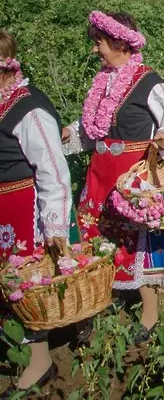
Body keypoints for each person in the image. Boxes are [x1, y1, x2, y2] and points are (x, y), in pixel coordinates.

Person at [62, 11, 164, 344]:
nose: (95, 51)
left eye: (99, 43)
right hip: (100, 175)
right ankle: (95, 305)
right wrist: (68, 133)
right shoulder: (103, 80)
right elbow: (94, 127)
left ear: (119, 42)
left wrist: (162, 137)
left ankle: (149, 313)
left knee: (136, 238)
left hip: (131, 177)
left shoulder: (148, 81)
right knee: (94, 236)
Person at [0, 31, 71, 395]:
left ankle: (39, 358)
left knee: (25, 284)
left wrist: (55, 225)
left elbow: (53, 170)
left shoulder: (28, 108)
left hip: (21, 209)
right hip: (3, 209)